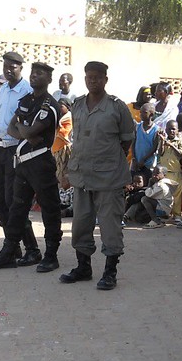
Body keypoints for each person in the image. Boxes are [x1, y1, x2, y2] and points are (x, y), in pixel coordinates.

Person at [60, 61, 134, 291]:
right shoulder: (78, 105)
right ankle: (84, 268)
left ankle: (110, 272)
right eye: (89, 77)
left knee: (110, 226)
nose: (93, 81)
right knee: (81, 224)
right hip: (82, 176)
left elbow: (126, 139)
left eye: (98, 77)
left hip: (109, 178)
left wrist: (110, 160)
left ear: (105, 79)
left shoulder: (116, 107)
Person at [0, 62, 62, 273]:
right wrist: (24, 130)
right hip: (23, 161)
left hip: (41, 162)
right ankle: (9, 251)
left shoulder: (49, 104)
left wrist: (24, 129)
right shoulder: (26, 100)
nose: (35, 76)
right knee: (16, 208)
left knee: (49, 209)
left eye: (41, 73)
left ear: (49, 79)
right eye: (33, 72)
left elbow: (31, 130)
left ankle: (51, 255)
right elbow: (13, 128)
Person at [0, 51, 39, 265]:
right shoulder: (2, 90)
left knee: (14, 202)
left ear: (21, 68)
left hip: (15, 150)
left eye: (13, 67)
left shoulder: (27, 92)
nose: (8, 70)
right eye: (5, 66)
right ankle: (14, 247)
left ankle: (31, 249)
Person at [157, 119, 182, 222]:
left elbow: (181, 155)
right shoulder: (164, 140)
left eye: (173, 129)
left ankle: (177, 215)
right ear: (166, 129)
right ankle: (165, 214)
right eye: (169, 129)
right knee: (165, 195)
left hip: (175, 172)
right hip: (165, 173)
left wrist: (171, 145)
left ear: (177, 130)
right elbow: (160, 153)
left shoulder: (180, 141)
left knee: (177, 195)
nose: (171, 131)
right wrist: (162, 141)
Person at [131, 103, 159, 183]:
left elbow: (154, 147)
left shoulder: (156, 130)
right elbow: (134, 143)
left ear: (151, 114)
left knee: (146, 184)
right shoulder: (137, 127)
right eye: (140, 112)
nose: (141, 114)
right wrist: (134, 159)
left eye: (144, 112)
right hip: (136, 162)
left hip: (148, 164)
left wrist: (143, 160)